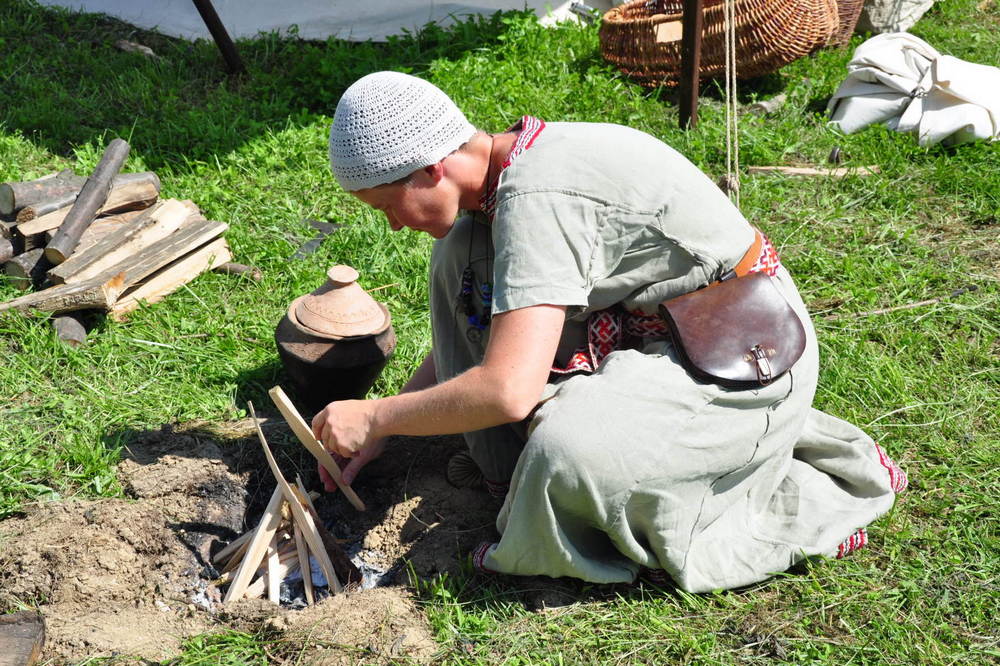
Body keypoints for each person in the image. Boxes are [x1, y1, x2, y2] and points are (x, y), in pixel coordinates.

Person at [312, 71, 906, 592]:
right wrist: (391, 421)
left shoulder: (539, 197)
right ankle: (512, 469)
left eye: (387, 205)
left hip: (739, 357)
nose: (391, 227)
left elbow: (507, 390)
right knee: (460, 256)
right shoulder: (502, 180)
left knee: (566, 453)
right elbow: (478, 343)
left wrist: (378, 416)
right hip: (647, 327)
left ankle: (705, 487)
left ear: (433, 168)